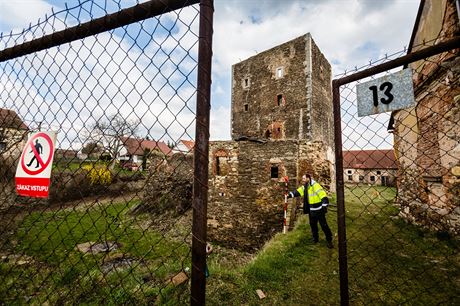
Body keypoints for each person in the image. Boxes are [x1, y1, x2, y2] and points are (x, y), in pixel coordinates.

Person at [288, 173, 333, 248]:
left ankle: (329, 240)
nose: (303, 180)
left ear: (308, 178)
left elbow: (322, 194)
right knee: (313, 226)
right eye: (302, 178)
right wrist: (290, 194)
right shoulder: (305, 186)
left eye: (304, 178)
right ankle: (315, 239)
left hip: (319, 210)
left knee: (324, 226)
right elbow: (298, 192)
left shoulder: (315, 185)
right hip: (311, 211)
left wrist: (324, 204)